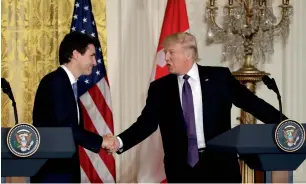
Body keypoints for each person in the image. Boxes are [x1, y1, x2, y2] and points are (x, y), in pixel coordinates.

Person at [103, 32, 288, 183]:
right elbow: (146, 123)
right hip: (181, 170)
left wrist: (289, 128)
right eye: (165, 53)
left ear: (188, 55)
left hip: (221, 167)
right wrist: (119, 141)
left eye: (170, 52)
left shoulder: (219, 78)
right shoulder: (160, 88)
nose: (166, 58)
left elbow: (254, 105)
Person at [31, 32, 115, 183]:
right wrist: (100, 141)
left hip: (64, 169)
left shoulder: (67, 84)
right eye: (91, 56)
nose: (95, 62)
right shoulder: (56, 82)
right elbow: (65, 129)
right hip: (53, 172)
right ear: (76, 54)